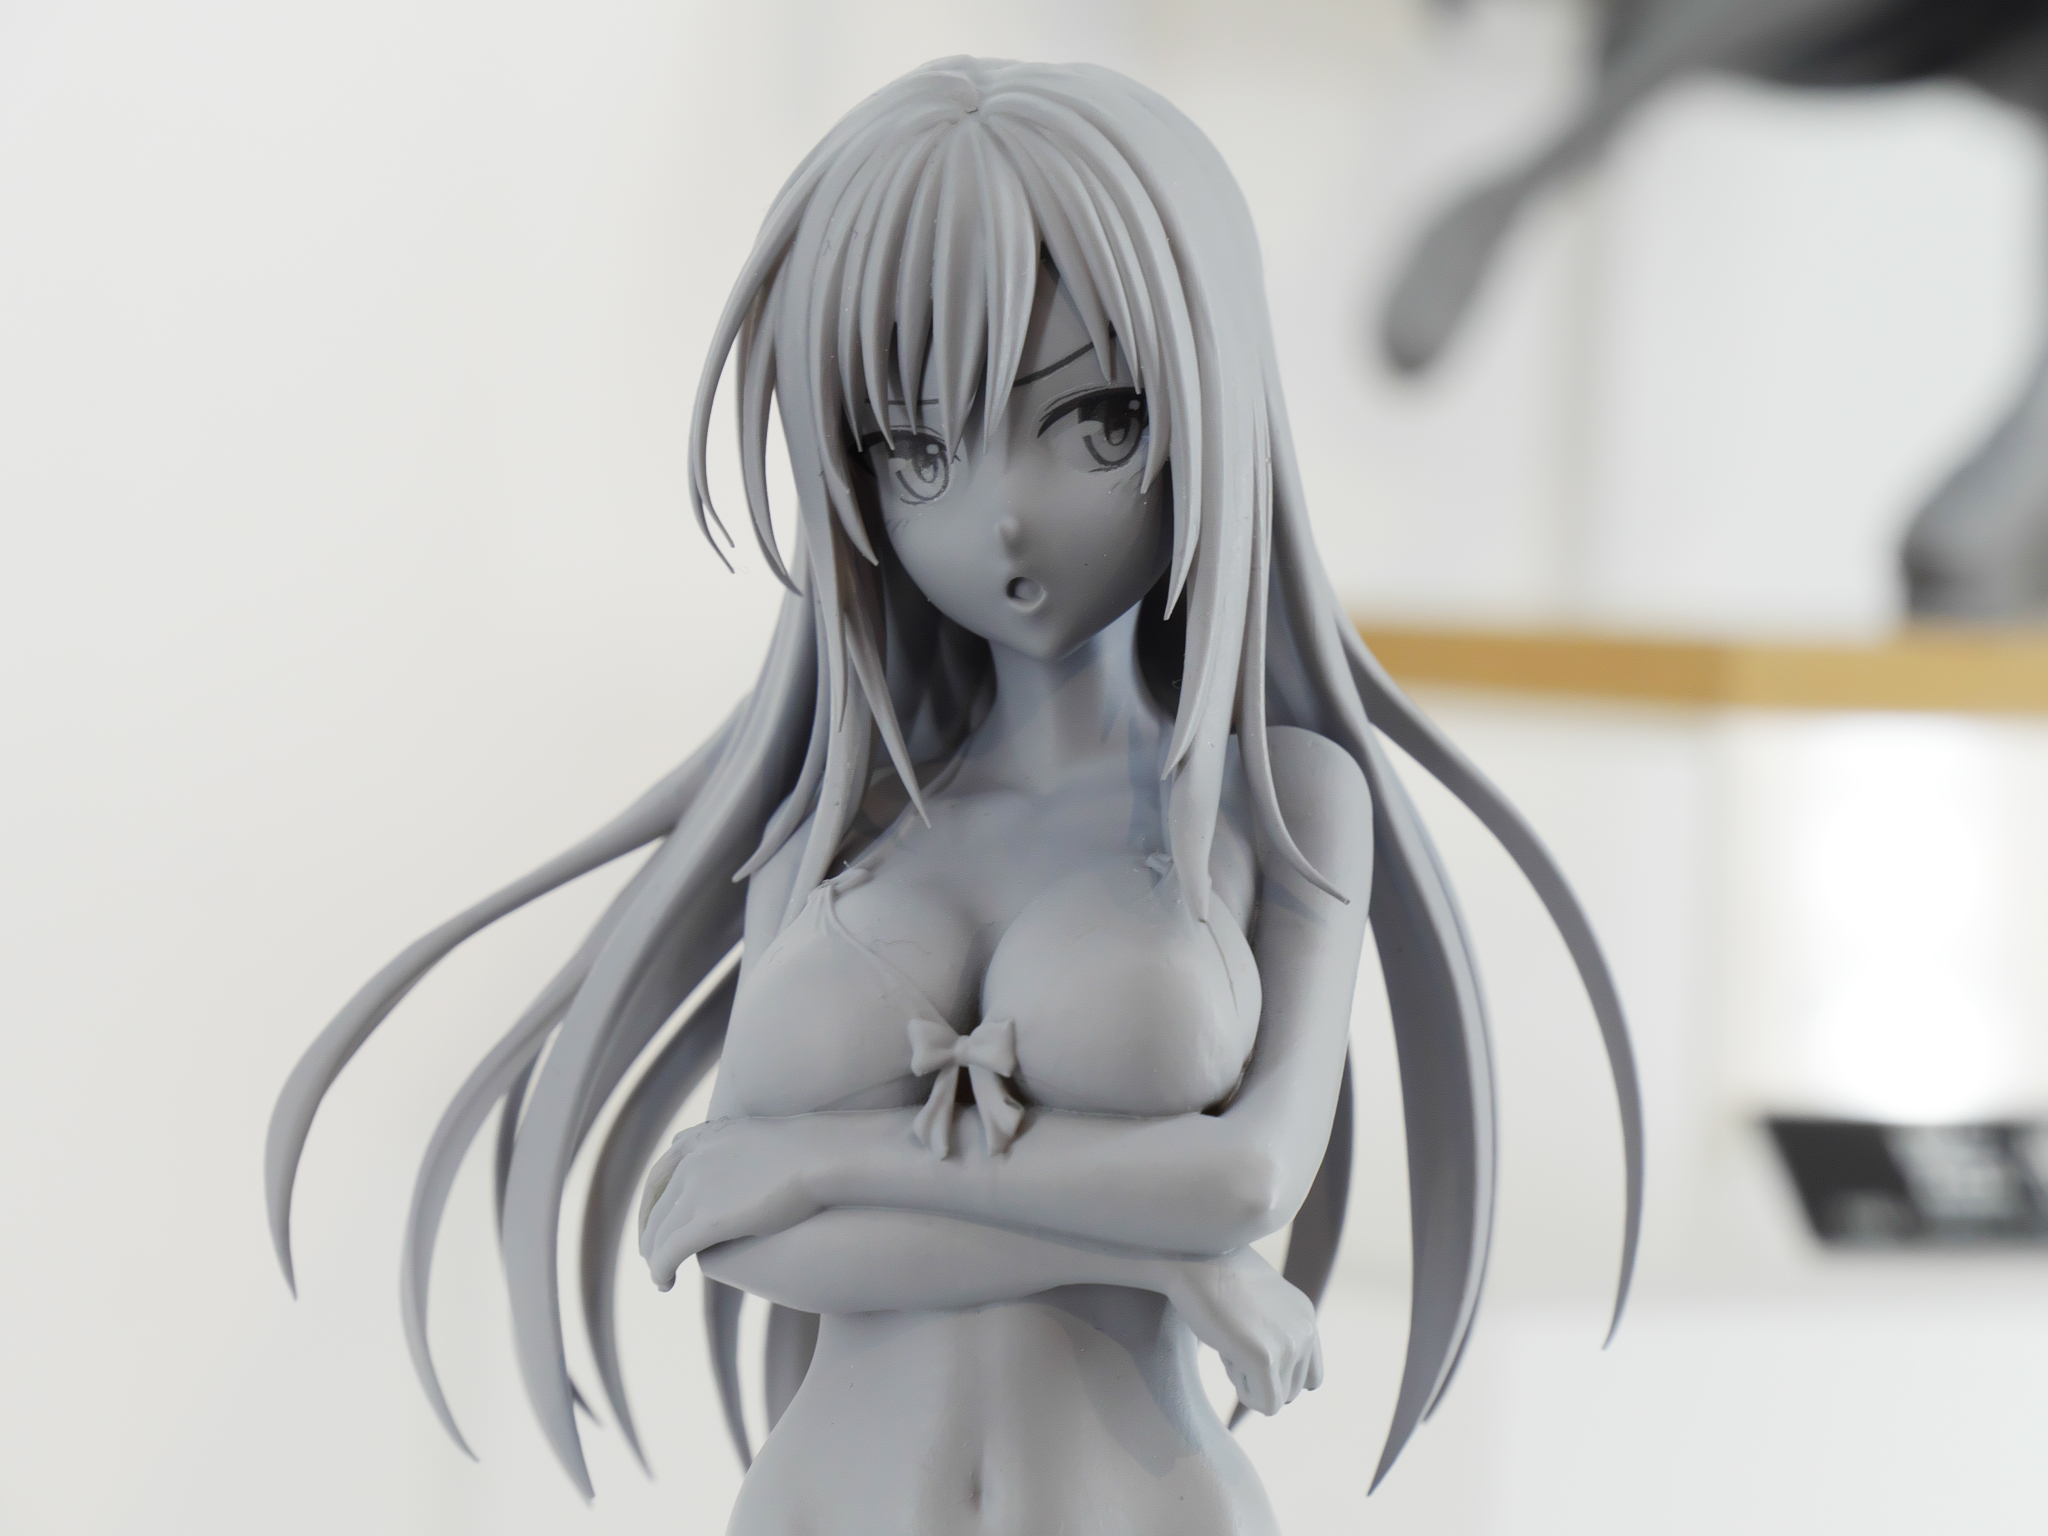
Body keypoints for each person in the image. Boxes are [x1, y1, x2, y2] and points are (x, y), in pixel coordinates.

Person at [268, 56, 1641, 1535]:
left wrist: (822, 1157)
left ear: (1213, 395)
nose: (1004, 516)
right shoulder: (831, 820)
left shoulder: (1285, 799)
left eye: (1096, 419)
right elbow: (727, 1235)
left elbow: (1246, 1176)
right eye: (917, 448)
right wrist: (1158, 1256)